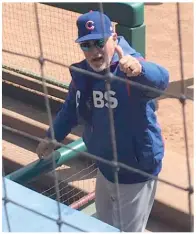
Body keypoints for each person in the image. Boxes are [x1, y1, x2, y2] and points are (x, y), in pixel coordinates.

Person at [36, 11, 169, 232]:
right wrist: (52, 137)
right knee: (101, 226)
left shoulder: (129, 70)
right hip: (105, 167)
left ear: (114, 39)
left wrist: (140, 70)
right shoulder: (84, 75)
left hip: (135, 171)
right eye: (86, 45)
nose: (94, 51)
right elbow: (70, 109)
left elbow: (161, 80)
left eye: (99, 42)